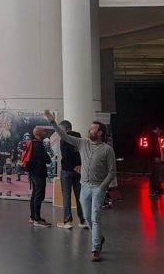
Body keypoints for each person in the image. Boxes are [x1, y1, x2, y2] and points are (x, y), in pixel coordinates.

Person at [46, 111, 116, 262]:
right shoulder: (82, 143)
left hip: (98, 187)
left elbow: (112, 172)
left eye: (92, 129)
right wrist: (53, 123)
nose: (89, 130)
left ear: (100, 133)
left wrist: (103, 187)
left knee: (96, 217)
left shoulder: (107, 150)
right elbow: (64, 136)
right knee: (87, 217)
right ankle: (99, 238)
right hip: (84, 186)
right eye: (90, 128)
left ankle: (95, 248)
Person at [56, 120, 87, 229]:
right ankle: (83, 220)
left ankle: (67, 221)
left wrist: (71, 165)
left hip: (67, 170)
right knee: (79, 195)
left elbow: (65, 155)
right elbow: (83, 153)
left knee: (66, 195)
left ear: (64, 129)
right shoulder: (80, 138)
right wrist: (78, 165)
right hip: (79, 171)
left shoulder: (64, 138)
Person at [27, 126, 52, 228]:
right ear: (39, 134)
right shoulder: (39, 145)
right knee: (39, 196)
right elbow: (47, 160)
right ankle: (37, 220)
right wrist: (48, 156)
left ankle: (33, 217)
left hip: (32, 173)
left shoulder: (31, 143)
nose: (45, 133)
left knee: (34, 195)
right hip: (39, 174)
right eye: (43, 131)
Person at [147, 125, 164, 197]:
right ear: (157, 129)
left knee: (154, 175)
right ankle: (152, 191)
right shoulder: (153, 136)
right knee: (155, 175)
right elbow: (153, 147)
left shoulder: (152, 136)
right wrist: (156, 157)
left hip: (154, 158)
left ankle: (153, 190)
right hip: (155, 158)